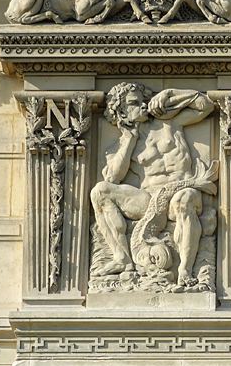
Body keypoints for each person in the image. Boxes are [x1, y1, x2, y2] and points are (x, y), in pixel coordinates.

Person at [90, 82, 215, 285]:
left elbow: (206, 105)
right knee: (100, 191)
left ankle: (185, 269)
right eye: (134, 103)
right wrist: (129, 138)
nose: (143, 106)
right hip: (149, 199)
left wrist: (170, 93)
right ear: (121, 110)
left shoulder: (169, 123)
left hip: (180, 190)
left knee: (185, 199)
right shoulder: (123, 145)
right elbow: (112, 177)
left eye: (143, 100)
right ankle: (121, 258)